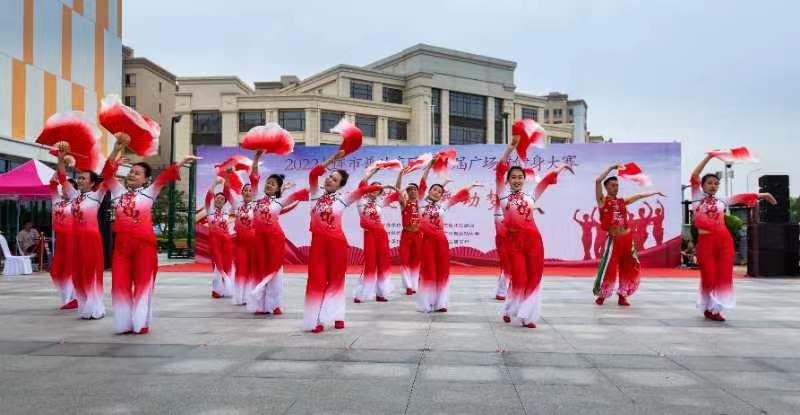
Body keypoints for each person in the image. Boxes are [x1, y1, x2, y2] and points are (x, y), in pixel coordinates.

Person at [104, 133, 199, 334]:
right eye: (131, 171)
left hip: (144, 246)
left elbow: (165, 177)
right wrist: (116, 148)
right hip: (121, 246)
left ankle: (140, 322)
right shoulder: (118, 192)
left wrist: (181, 163)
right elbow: (106, 175)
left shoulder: (150, 192)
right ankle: (124, 323)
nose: (132, 175)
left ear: (147, 179)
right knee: (119, 284)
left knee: (142, 284)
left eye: (137, 173)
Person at [302, 149, 385, 333]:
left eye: (335, 179)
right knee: (317, 279)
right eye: (330, 177)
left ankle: (337, 316)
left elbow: (362, 190)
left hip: (337, 245)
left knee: (337, 280)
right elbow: (313, 174)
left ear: (340, 186)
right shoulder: (315, 194)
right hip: (318, 245)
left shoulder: (342, 200)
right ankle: (317, 319)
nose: (330, 179)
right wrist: (332, 158)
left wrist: (379, 187)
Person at [496, 136, 572, 328]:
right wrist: (510, 149)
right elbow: (499, 171)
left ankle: (527, 316)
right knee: (520, 277)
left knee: (534, 276)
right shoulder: (503, 195)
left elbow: (545, 182)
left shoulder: (530, 195)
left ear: (524, 179)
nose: (517, 180)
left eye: (520, 177)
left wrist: (560, 167)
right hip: (515, 243)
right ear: (508, 180)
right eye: (513, 177)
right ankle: (509, 308)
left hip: (534, 241)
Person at [690, 154, 775, 321]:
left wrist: (762, 195)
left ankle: (715, 310)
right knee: (709, 276)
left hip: (724, 241)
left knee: (723, 276)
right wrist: (709, 157)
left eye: (716, 183)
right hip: (706, 243)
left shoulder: (722, 200)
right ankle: (708, 305)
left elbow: (741, 197)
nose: (713, 186)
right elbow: (694, 175)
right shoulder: (696, 198)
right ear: (703, 185)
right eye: (709, 183)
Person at [593, 164, 665, 306]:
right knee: (610, 268)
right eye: (612, 185)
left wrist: (654, 192)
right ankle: (603, 294)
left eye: (617, 185)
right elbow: (597, 181)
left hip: (627, 239)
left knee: (628, 267)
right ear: (606, 187)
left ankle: (623, 295)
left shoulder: (622, 202)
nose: (616, 187)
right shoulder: (602, 201)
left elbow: (638, 196)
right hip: (614, 240)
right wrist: (611, 168)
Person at [417, 160, 482, 314]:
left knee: (442, 271)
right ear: (428, 191)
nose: (436, 192)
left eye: (439, 192)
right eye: (434, 189)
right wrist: (429, 167)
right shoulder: (420, 203)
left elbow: (459, 196)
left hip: (441, 242)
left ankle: (440, 303)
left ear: (441, 196)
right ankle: (427, 303)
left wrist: (470, 186)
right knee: (429, 271)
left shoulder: (443, 206)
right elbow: (422, 183)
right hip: (427, 242)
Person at [248, 150, 304, 315]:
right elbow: (254, 177)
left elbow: (296, 195)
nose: (269, 185)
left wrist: (312, 188)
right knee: (260, 269)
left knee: (274, 272)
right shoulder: (256, 197)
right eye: (268, 182)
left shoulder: (280, 202)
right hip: (259, 240)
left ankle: (274, 304)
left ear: (278, 189)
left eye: (273, 184)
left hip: (275, 240)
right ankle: (260, 305)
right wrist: (257, 158)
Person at [61, 147, 112, 320]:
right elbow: (61, 177)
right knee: (78, 274)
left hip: (91, 239)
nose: (79, 180)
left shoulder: (96, 195)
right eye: (78, 177)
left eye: (83, 178)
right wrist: (61, 158)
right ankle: (84, 306)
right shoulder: (74, 196)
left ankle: (96, 308)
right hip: (76, 240)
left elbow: (107, 172)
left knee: (91, 273)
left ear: (91, 183)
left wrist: (117, 148)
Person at [354, 166, 397, 303]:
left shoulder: (380, 203)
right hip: (369, 235)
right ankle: (361, 293)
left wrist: (399, 182)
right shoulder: (361, 200)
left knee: (383, 262)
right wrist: (374, 172)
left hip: (381, 235)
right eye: (374, 188)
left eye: (379, 189)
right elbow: (362, 184)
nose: (376, 190)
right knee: (370, 262)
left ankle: (381, 292)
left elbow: (397, 193)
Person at [394, 163, 432, 295]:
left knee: (416, 260)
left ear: (418, 191)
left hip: (418, 235)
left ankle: (415, 284)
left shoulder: (421, 203)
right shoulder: (404, 203)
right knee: (405, 260)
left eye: (414, 189)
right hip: (406, 234)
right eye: (409, 190)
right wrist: (400, 175)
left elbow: (423, 182)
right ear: (407, 192)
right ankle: (408, 286)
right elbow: (398, 189)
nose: (412, 191)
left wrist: (429, 167)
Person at [223, 169, 259, 307]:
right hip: (240, 243)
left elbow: (256, 181)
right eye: (245, 190)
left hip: (254, 243)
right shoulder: (237, 205)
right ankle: (240, 297)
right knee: (241, 268)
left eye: (250, 190)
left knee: (252, 269)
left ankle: (251, 296)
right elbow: (226, 192)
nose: (247, 192)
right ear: (242, 193)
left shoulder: (257, 205)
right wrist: (227, 176)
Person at [48, 151, 76, 309]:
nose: (66, 189)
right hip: (60, 240)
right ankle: (66, 296)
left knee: (70, 269)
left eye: (69, 187)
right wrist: (61, 164)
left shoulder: (76, 201)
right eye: (65, 187)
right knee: (56, 270)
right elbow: (52, 182)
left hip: (73, 239)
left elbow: (63, 180)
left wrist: (62, 166)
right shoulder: (56, 201)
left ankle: (71, 298)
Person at [203, 177, 235, 299]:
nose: (220, 200)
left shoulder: (227, 212)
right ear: (214, 200)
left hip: (227, 242)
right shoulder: (209, 210)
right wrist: (215, 183)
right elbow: (208, 197)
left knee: (227, 264)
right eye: (218, 198)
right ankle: (217, 290)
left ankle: (227, 289)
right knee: (218, 265)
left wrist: (227, 179)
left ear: (224, 202)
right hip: (214, 242)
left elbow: (228, 194)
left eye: (222, 199)